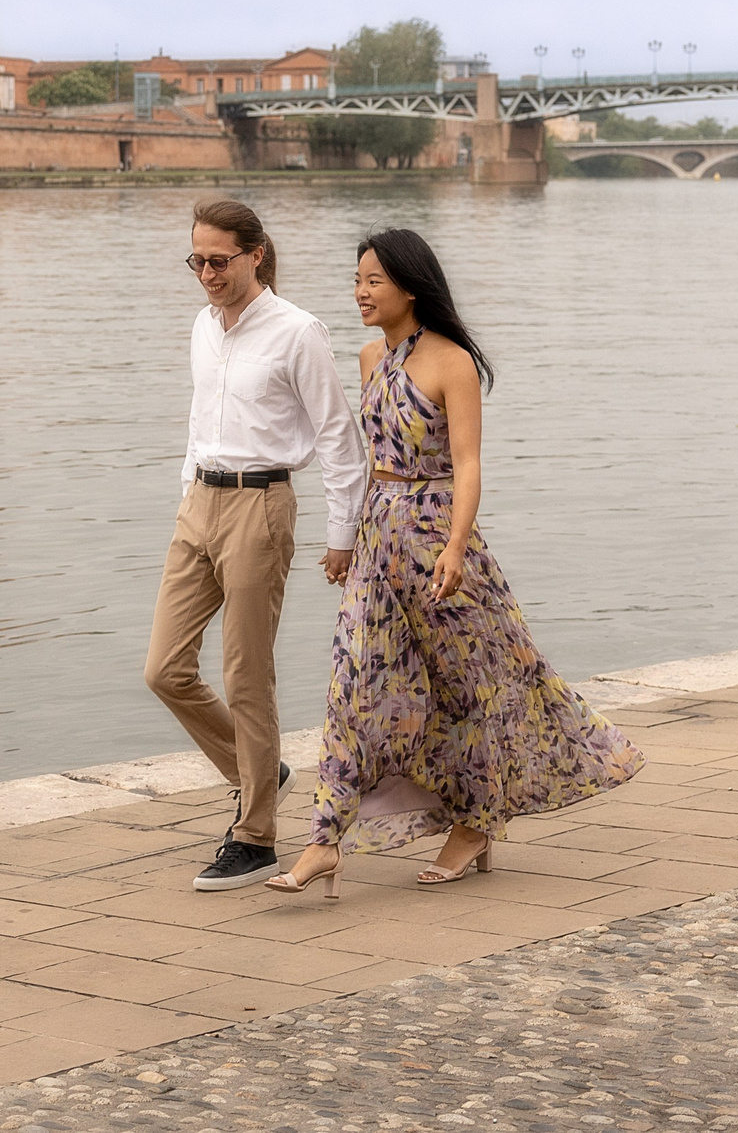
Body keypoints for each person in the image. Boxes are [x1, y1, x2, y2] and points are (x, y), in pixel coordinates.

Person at [268, 227, 642, 898]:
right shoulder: (366, 359)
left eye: (373, 281)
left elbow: (467, 465)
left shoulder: (452, 363)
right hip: (380, 542)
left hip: (439, 540)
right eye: (357, 279)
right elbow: (366, 461)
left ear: (412, 286)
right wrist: (347, 538)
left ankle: (474, 825)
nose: (359, 292)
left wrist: (456, 547)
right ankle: (324, 840)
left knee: (473, 690)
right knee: (353, 685)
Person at [148, 198, 368, 890]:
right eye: (197, 261)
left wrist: (342, 533)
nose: (207, 274)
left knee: (247, 674)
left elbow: (338, 436)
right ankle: (257, 771)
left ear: (256, 255)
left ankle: (257, 835)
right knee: (164, 669)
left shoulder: (298, 332)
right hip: (201, 502)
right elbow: (197, 417)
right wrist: (188, 490)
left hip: (261, 504)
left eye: (219, 260)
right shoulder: (201, 327)